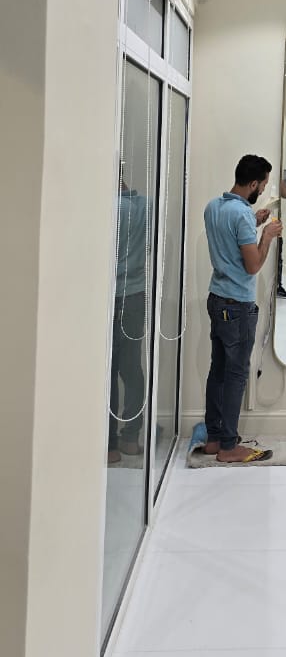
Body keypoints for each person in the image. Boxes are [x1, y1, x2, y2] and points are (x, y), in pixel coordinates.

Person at [203, 154, 282, 463]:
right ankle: (228, 447)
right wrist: (267, 236)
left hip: (216, 299)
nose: (262, 191)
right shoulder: (242, 215)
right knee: (236, 375)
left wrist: (254, 222)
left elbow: (229, 239)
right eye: (262, 185)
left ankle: (214, 438)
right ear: (253, 183)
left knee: (218, 371)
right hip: (237, 305)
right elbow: (253, 266)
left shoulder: (213, 207)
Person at [108, 177, 150, 464]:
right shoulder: (146, 206)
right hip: (135, 295)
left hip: (107, 295)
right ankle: (131, 438)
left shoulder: (107, 207)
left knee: (108, 370)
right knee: (132, 368)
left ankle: (110, 444)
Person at [276, 179, 286, 298]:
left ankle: (278, 286)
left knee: (278, 260)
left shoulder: (276, 179)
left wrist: (279, 178)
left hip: (276, 230)